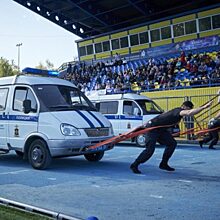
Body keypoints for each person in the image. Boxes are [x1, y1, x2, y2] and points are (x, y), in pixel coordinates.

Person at [130, 100, 213, 174]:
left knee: (172, 143)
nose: (188, 111)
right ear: (184, 107)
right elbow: (189, 112)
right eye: (188, 108)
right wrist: (204, 107)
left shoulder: (176, 113)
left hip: (161, 130)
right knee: (150, 149)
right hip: (152, 129)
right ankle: (135, 165)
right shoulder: (179, 111)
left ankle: (163, 164)